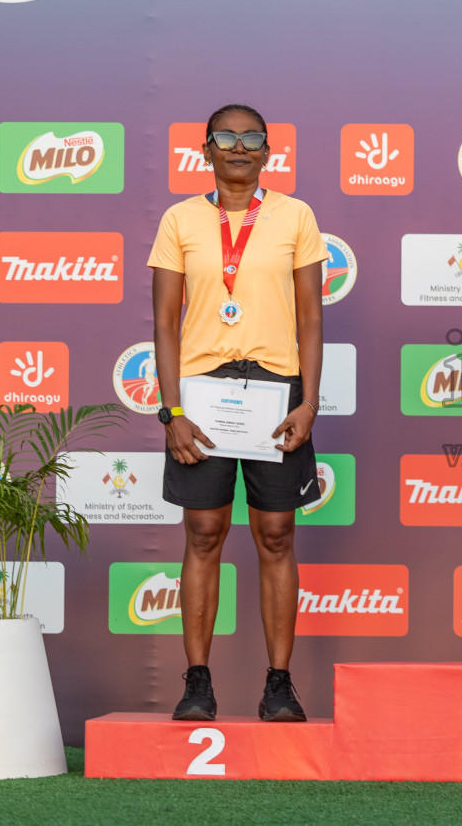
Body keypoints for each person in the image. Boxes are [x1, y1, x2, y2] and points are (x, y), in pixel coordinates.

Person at [148, 103, 327, 722]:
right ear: (206, 149)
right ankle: (197, 682)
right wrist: (171, 412)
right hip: (201, 395)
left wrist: (308, 403)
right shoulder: (179, 220)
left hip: (276, 392)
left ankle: (279, 683)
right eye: (227, 136)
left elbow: (310, 318)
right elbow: (165, 326)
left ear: (268, 151)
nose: (240, 146)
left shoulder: (295, 215)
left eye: (252, 137)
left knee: (276, 537)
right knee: (203, 534)